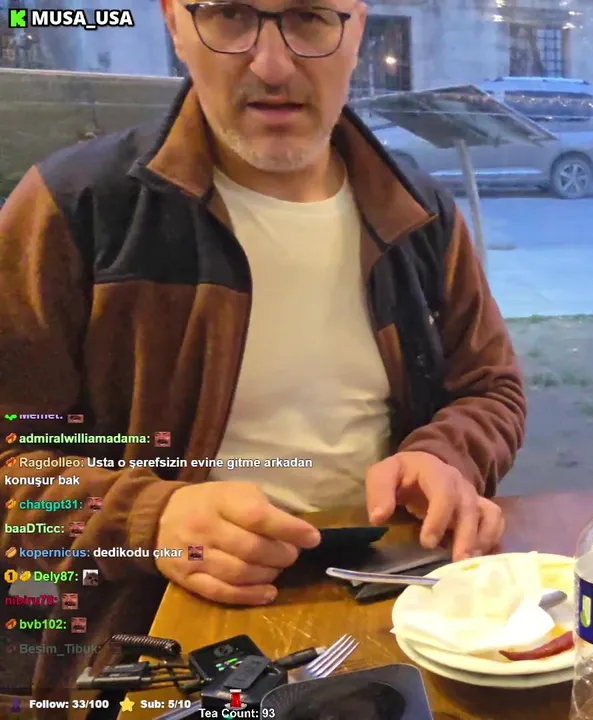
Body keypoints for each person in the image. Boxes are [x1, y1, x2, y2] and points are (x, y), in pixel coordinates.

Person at [0, 0, 525, 704]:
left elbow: (490, 387)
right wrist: (149, 519)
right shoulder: (74, 209)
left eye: (309, 18)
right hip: (160, 640)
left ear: (357, 27)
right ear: (174, 23)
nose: (273, 65)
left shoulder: (418, 212)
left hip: (401, 608)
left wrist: (446, 454)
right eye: (229, 15)